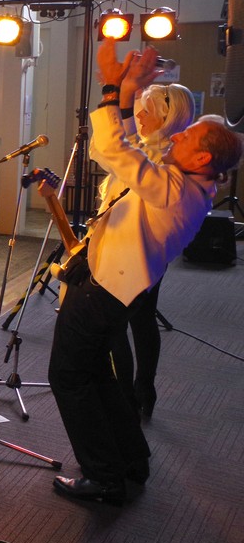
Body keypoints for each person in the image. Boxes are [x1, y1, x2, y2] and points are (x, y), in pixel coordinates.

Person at [46, 41, 243, 504]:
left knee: (68, 376)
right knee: (97, 373)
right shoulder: (189, 183)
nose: (174, 139)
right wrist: (129, 95)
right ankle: (131, 459)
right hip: (119, 289)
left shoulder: (174, 188)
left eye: (186, 138)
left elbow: (113, 149)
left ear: (202, 159)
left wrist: (112, 87)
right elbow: (129, 151)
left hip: (105, 291)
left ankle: (104, 477)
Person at [112, 82, 195, 418]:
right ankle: (144, 388)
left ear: (166, 117)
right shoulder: (163, 149)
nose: (140, 116)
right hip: (151, 253)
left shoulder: (159, 157)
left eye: (147, 111)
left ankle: (127, 398)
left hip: (133, 251)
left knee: (115, 326)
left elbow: (117, 151)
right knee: (143, 320)